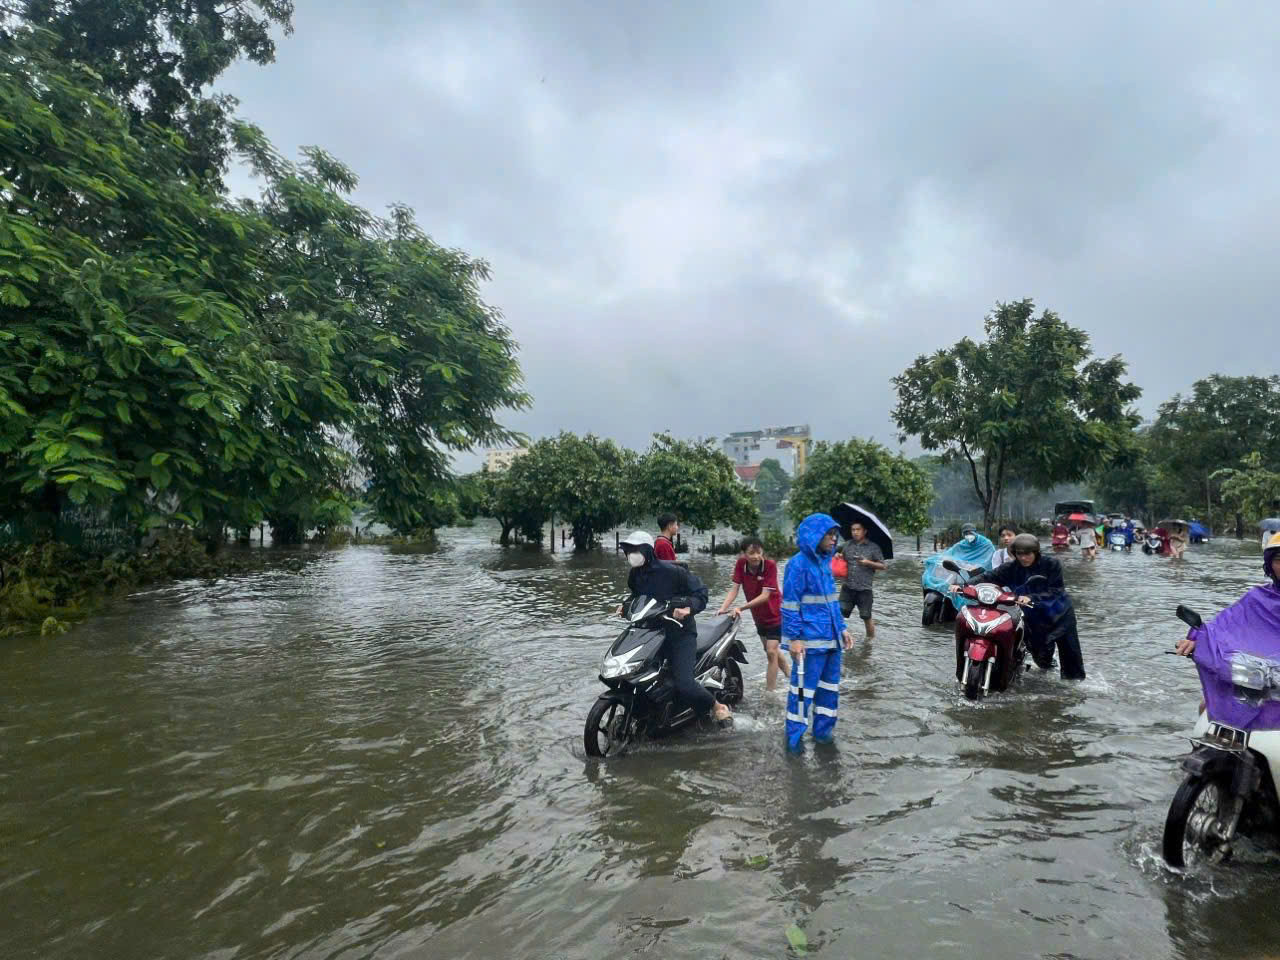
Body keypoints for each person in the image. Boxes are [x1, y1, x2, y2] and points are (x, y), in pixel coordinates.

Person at [618, 530, 730, 722]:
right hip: (650, 633)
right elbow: (636, 596)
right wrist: (626, 605)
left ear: (647, 550)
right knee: (633, 673)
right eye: (629, 550)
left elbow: (701, 593)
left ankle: (717, 706)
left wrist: (688, 608)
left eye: (635, 549)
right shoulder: (635, 575)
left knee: (684, 683)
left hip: (680, 633)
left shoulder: (674, 572)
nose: (631, 554)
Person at [1175, 533, 1280, 726]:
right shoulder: (1256, 598)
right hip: (1265, 681)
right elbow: (1223, 626)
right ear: (1270, 564)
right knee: (1205, 707)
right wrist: (1198, 640)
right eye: (1279, 559)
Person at [960, 533, 1086, 680]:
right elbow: (988, 577)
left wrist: (1032, 597)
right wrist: (964, 586)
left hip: (1060, 614)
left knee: (1071, 658)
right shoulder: (1010, 568)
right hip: (1033, 618)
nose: (1023, 558)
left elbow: (1056, 591)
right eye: (1019, 554)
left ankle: (1074, 687)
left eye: (1027, 554)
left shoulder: (1052, 565)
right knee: (1041, 659)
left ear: (1036, 553)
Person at [782, 514, 855, 749]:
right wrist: (794, 639)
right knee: (802, 695)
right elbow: (790, 604)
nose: (834, 539)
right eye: (829, 534)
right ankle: (794, 744)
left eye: (835, 535)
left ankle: (823, 737)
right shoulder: (798, 564)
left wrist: (842, 629)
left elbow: (831, 601)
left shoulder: (825, 563)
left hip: (832, 641)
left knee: (829, 693)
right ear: (815, 536)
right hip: (809, 643)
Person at [716, 537, 789, 691]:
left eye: (759, 552)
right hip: (759, 616)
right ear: (744, 554)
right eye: (751, 553)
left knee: (771, 652)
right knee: (772, 651)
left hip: (775, 613)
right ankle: (794, 678)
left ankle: (770, 693)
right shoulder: (741, 564)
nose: (756, 556)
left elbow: (765, 596)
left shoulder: (769, 565)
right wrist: (723, 608)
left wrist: (740, 608)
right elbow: (734, 589)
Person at [840, 521, 886, 640]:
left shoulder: (873, 547)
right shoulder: (847, 545)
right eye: (853, 530)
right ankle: (839, 640)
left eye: (858, 529)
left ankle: (869, 644)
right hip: (847, 587)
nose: (855, 532)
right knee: (838, 614)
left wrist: (868, 562)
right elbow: (841, 558)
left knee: (866, 617)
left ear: (864, 531)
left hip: (864, 589)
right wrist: (837, 557)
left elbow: (883, 566)